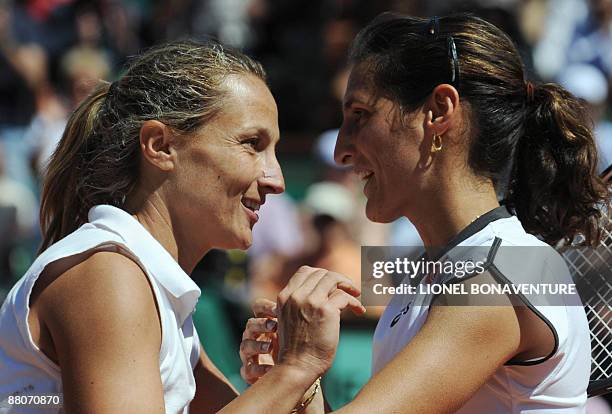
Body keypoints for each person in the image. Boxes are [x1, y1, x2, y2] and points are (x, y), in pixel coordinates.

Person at [240, 13, 611, 413]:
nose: (341, 150)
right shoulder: (434, 271)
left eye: (360, 115)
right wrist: (303, 385)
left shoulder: (503, 274)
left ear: (438, 111)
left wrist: (297, 368)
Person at [0, 40, 366, 413]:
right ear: (160, 146)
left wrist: (294, 382)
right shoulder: (107, 275)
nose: (277, 179)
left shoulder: (160, 301)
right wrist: (296, 368)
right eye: (252, 144)